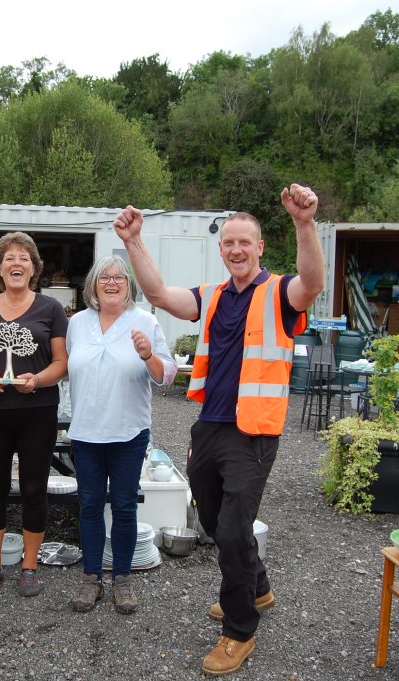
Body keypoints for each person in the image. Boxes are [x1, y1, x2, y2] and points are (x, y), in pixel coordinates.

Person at [112, 185, 324, 675]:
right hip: (209, 426)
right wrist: (134, 242)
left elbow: (311, 283)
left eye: (244, 242)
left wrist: (305, 223)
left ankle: (239, 628)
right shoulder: (211, 296)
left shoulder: (280, 292)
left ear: (259, 247)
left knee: (231, 530)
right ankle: (258, 586)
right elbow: (162, 294)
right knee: (209, 519)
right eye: (228, 242)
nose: (235, 249)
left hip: (252, 432)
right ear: (221, 247)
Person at [65, 255, 176, 614]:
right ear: (93, 285)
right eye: (104, 278)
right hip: (85, 432)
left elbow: (167, 374)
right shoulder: (78, 323)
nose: (112, 283)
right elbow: (71, 367)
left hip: (128, 432)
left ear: (129, 285)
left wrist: (148, 355)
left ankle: (123, 580)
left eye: (119, 278)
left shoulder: (145, 320)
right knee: (90, 504)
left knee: (125, 506)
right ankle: (91, 578)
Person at [0, 232, 68, 597]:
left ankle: (29, 565)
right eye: (9, 257)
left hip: (37, 409)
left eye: (24, 257)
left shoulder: (51, 309)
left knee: (33, 488)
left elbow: (62, 363)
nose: (16, 263)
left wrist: (37, 380)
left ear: (34, 267)